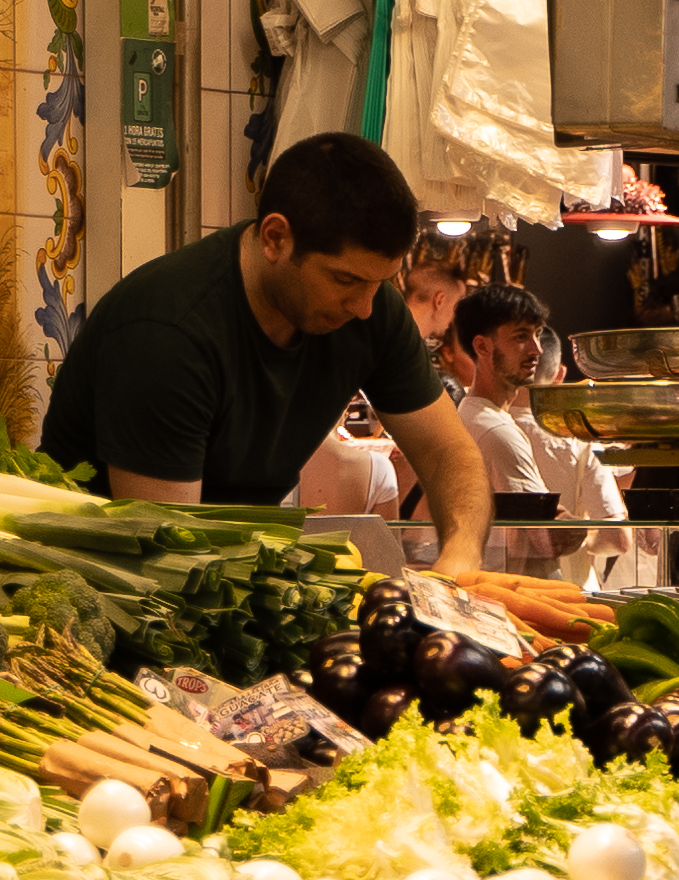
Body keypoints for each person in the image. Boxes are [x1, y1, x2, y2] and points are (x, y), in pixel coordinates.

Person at [42, 132, 487, 565]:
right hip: (109, 589)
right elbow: (171, 558)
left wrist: (461, 559)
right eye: (345, 280)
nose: (365, 307)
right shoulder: (168, 333)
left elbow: (449, 453)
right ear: (275, 238)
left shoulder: (371, 310)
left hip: (222, 568)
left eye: (381, 282)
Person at [438, 282, 625, 520]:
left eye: (536, 334)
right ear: (482, 346)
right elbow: (546, 538)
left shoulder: (477, 417)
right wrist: (580, 529)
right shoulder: (496, 430)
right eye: (521, 336)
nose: (536, 349)